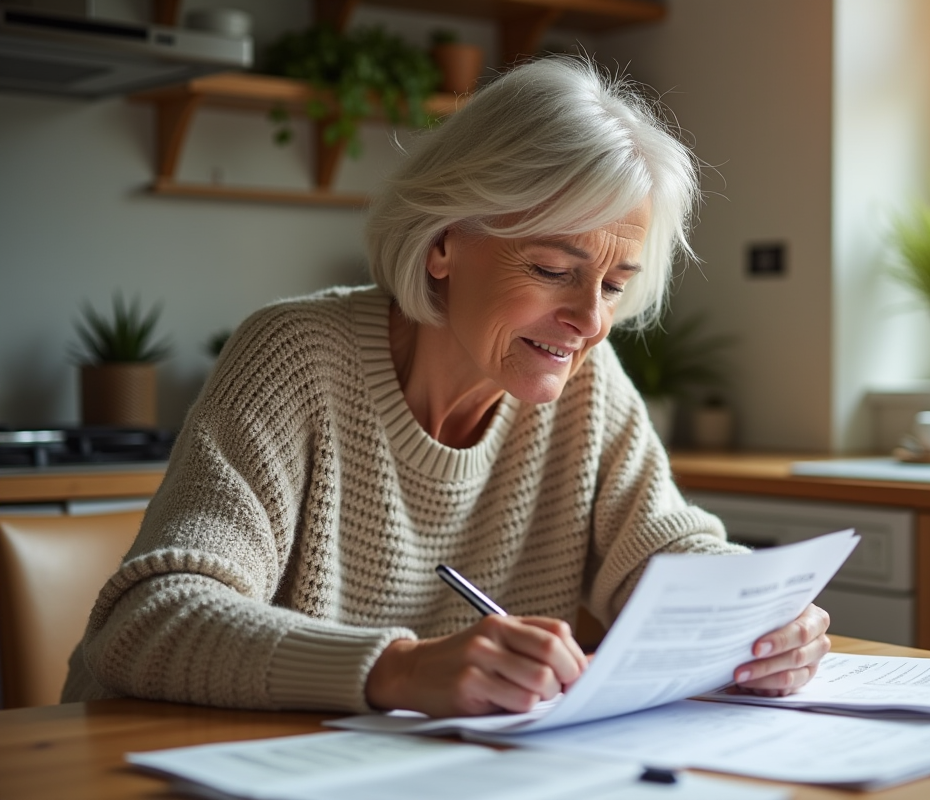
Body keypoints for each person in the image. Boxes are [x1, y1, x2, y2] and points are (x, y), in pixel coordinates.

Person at [63, 56, 830, 717]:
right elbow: (145, 621)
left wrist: (756, 615)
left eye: (615, 283)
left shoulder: (585, 381)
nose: (587, 319)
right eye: (553, 270)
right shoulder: (297, 357)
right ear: (442, 245)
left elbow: (666, 553)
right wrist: (398, 669)